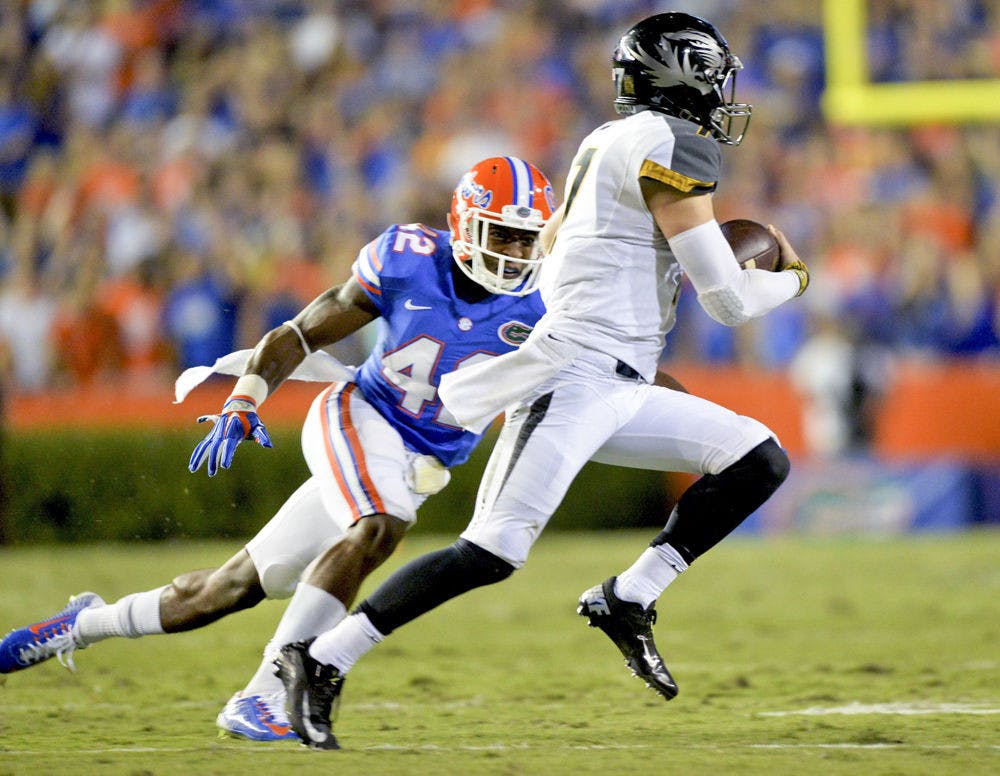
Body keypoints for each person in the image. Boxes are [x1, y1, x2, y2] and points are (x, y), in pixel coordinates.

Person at [272, 12, 810, 750]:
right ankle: (323, 657)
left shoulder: (606, 139)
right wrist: (790, 273)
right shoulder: (673, 144)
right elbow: (727, 301)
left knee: (759, 459)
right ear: (682, 77)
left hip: (618, 376)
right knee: (492, 551)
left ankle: (628, 597)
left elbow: (565, 244)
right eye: (714, 78)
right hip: (572, 373)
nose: (722, 95)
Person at [0, 156, 555, 742]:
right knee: (380, 523)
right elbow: (301, 332)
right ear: (464, 225)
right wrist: (244, 398)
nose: (517, 254)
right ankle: (265, 694)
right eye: (504, 235)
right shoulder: (408, 260)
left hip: (412, 461)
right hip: (361, 418)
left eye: (527, 239)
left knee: (225, 591)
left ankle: (79, 624)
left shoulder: (550, 298)